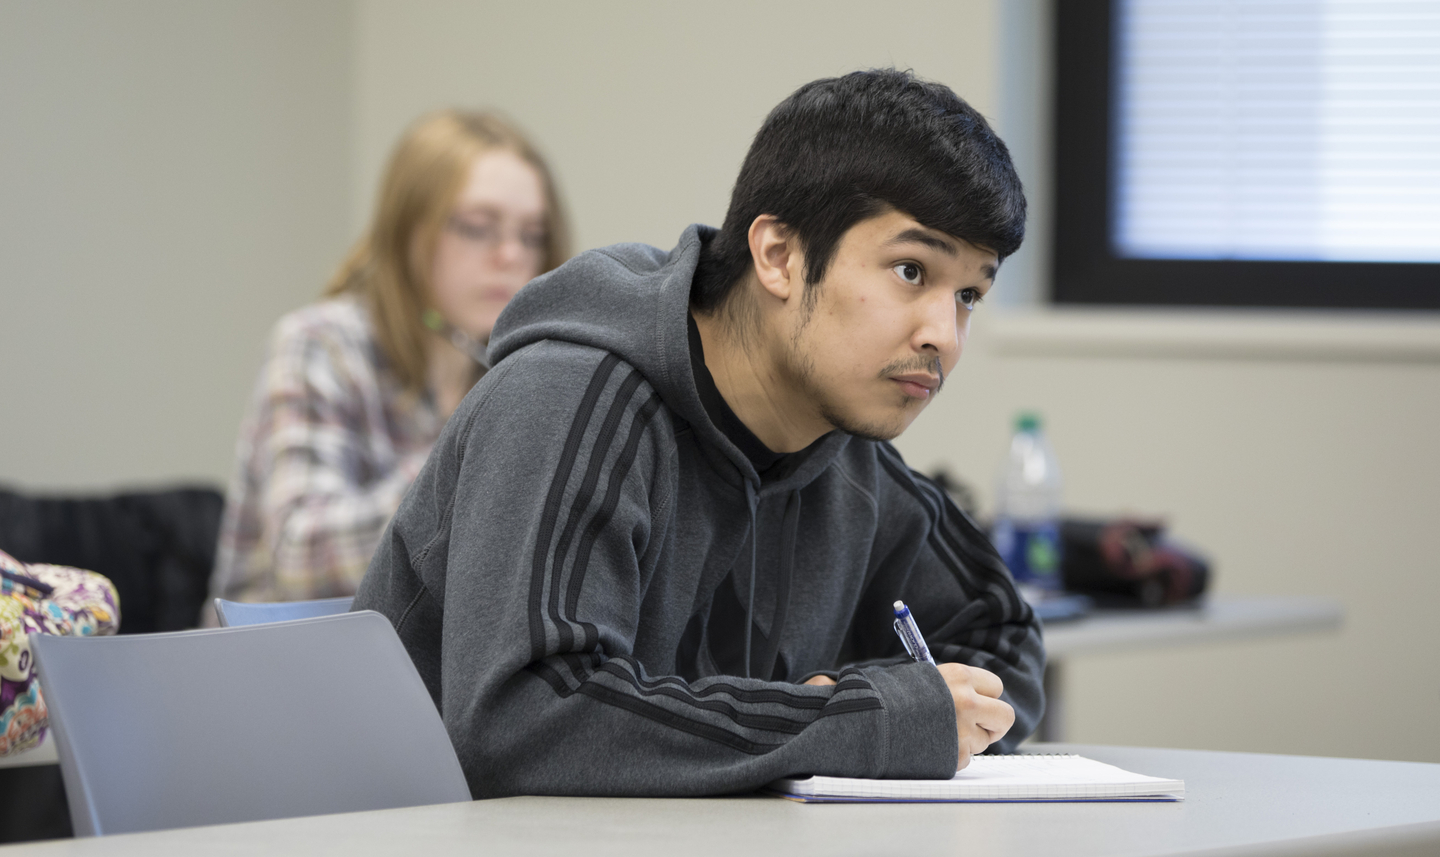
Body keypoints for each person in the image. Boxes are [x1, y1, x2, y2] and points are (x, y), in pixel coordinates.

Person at [355, 70, 1045, 798]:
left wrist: (866, 701)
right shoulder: (566, 397)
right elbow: (526, 720)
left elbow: (1004, 636)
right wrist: (849, 718)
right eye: (911, 270)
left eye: (969, 294)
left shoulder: (846, 460)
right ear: (778, 255)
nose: (944, 334)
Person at [207, 111, 570, 608]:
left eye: (531, 235)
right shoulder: (321, 343)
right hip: (273, 665)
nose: (510, 255)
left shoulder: (514, 367)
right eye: (478, 227)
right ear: (408, 232)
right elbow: (300, 561)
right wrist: (468, 462)